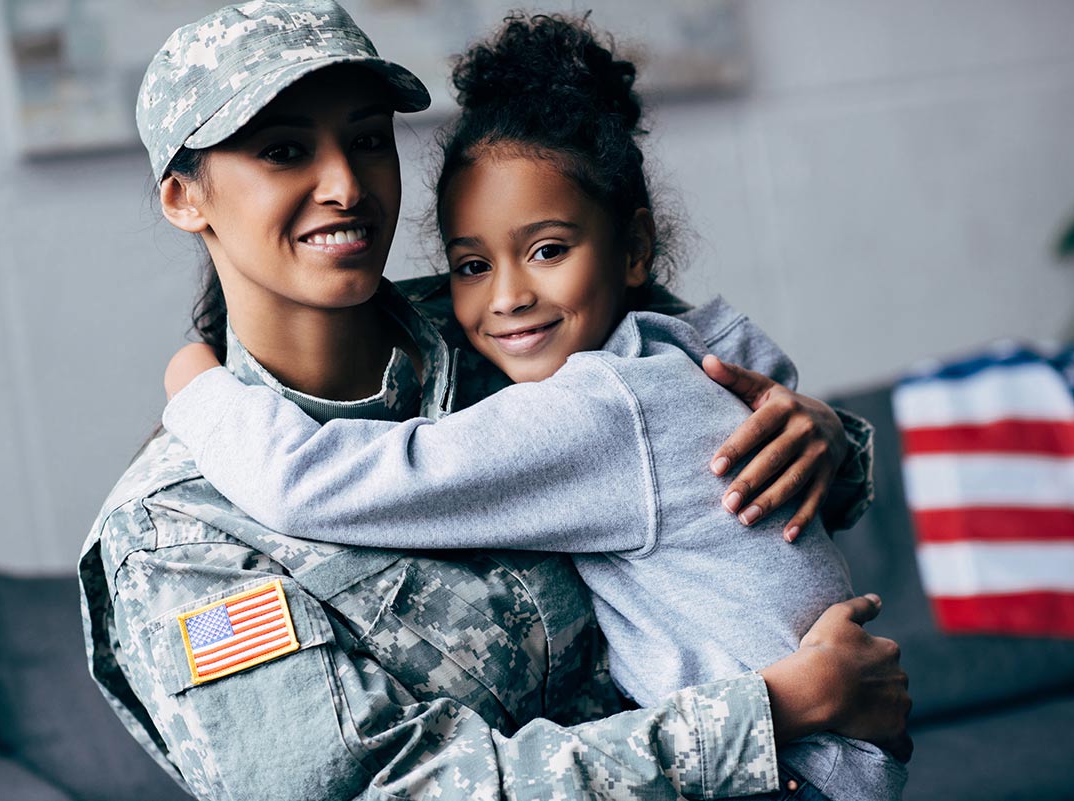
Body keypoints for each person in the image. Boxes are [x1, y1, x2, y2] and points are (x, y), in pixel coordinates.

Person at [79, 3, 910, 800]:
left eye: (368, 140)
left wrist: (827, 440)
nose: (344, 183)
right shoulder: (179, 530)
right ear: (185, 196)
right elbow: (376, 791)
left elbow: (712, 447)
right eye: (283, 151)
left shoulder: (502, 324)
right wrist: (762, 714)